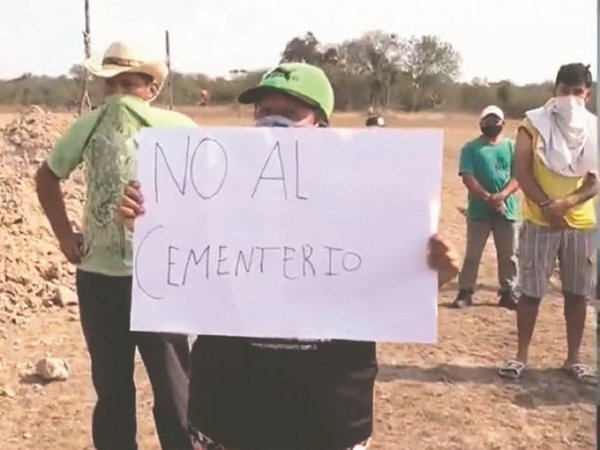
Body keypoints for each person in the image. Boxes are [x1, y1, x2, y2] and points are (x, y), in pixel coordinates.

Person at [117, 62, 459, 450]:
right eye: (263, 112)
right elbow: (184, 263)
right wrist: (148, 223)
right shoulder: (213, 189)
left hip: (329, 419)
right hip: (227, 416)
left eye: (291, 114)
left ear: (322, 127)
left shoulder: (368, 199)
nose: (271, 123)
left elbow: (387, 290)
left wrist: (433, 273)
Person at [35, 41, 197, 450]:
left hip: (159, 277)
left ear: (151, 89)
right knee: (112, 389)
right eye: (112, 85)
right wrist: (65, 236)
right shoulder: (86, 127)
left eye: (130, 84)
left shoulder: (177, 129)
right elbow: (47, 177)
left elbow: (212, 188)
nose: (120, 95)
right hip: (100, 278)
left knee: (174, 388)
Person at [498, 63, 598, 384]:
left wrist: (565, 205)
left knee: (577, 294)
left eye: (577, 92)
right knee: (531, 292)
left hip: (580, 223)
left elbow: (595, 181)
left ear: (588, 94)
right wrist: (546, 206)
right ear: (553, 92)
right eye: (564, 91)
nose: (570, 98)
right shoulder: (533, 124)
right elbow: (522, 171)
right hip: (538, 221)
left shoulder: (594, 129)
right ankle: (520, 356)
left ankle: (573, 358)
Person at [453, 105, 519, 309]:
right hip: (479, 210)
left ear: (503, 124)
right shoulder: (470, 148)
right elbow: (467, 177)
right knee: (473, 254)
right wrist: (487, 197)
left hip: (506, 209)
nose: (491, 124)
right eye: (487, 121)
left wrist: (501, 196)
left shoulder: (511, 147)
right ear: (481, 123)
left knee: (508, 255)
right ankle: (465, 292)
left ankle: (508, 292)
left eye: (495, 121)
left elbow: (518, 177)